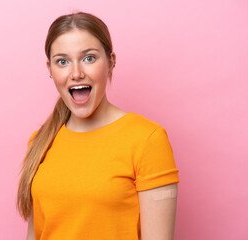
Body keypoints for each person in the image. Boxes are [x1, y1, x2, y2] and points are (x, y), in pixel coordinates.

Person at [17, 12, 180, 240]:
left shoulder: (148, 139)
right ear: (50, 69)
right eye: (62, 62)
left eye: (89, 58)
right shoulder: (40, 141)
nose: (76, 73)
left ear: (111, 61)